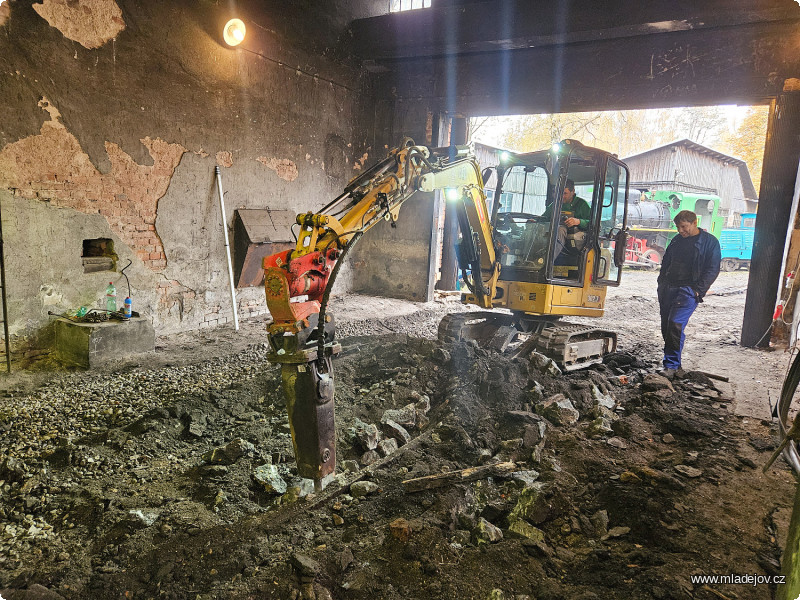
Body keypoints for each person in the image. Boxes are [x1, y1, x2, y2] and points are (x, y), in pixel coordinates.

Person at [656, 210, 721, 379]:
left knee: (675, 324)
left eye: (684, 227)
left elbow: (713, 268)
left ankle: (670, 366)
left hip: (688, 291)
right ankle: (675, 366)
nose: (680, 231)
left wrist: (698, 290)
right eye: (678, 227)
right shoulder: (677, 240)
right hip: (668, 288)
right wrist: (661, 283)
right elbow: (666, 262)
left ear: (694, 222)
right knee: (667, 327)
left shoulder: (710, 242)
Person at [542, 178, 592, 260]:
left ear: (573, 192)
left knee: (560, 229)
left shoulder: (582, 204)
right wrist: (534, 222)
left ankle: (547, 261)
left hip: (575, 239)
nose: (561, 197)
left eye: (565, 193)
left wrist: (578, 221)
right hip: (556, 234)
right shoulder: (555, 205)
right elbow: (544, 218)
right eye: (559, 193)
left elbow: (595, 224)